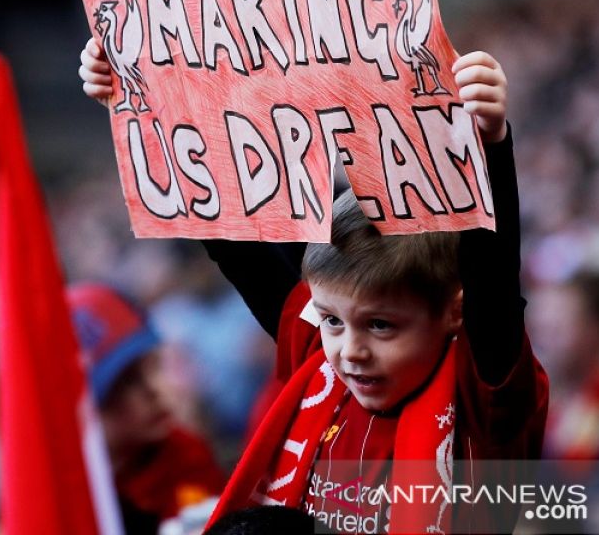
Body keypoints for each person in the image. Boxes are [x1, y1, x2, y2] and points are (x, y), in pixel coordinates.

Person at [79, 37, 550, 533]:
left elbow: (494, 293)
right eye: (330, 321)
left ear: (453, 313)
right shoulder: (316, 352)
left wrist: (490, 144)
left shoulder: (481, 390)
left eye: (381, 326)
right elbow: (230, 239)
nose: (349, 351)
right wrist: (147, 101)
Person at [68, 282, 226, 534]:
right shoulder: (60, 492)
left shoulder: (183, 455)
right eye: (126, 381)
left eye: (152, 366)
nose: (155, 389)